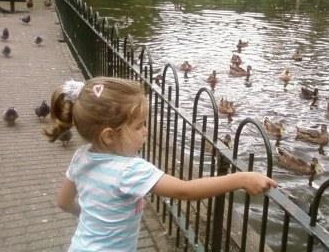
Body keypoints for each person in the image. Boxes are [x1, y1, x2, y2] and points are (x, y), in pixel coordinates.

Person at [44, 77, 277, 251]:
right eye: (139, 126)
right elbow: (185, 190)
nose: (146, 131)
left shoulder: (81, 157)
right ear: (109, 136)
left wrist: (90, 217)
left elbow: (63, 202)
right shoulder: (130, 171)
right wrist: (241, 178)